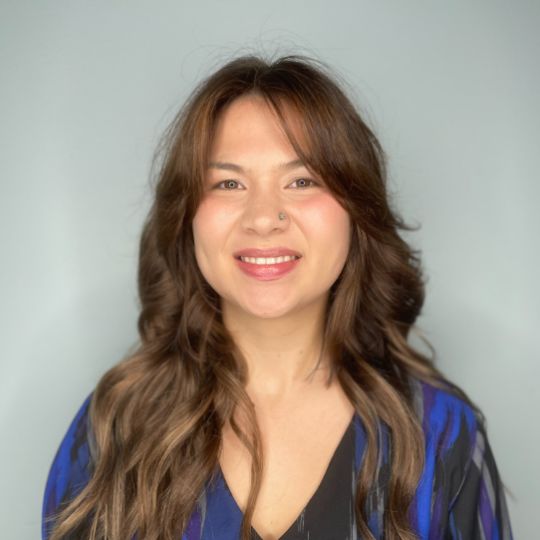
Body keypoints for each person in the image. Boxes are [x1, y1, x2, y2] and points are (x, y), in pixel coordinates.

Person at [42, 54, 514, 540]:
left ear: (357, 211)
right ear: (187, 217)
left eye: (302, 181)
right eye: (229, 183)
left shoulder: (441, 434)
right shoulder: (111, 431)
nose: (264, 218)